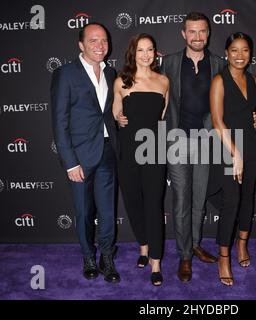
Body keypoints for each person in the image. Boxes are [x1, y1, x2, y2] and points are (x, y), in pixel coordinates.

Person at [51, 22, 120, 283]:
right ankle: (88, 256)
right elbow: (59, 121)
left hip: (108, 152)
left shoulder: (111, 73)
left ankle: (107, 256)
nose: (100, 45)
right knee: (83, 211)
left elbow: (108, 113)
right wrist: (70, 162)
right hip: (79, 156)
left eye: (103, 40)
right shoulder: (65, 73)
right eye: (93, 40)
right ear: (81, 45)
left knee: (107, 211)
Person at [159, 12, 225, 282]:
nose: (198, 36)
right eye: (192, 32)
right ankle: (184, 255)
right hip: (177, 141)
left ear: (208, 33)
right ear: (184, 34)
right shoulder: (169, 63)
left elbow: (239, 90)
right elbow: (152, 93)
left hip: (206, 140)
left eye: (202, 31)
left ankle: (195, 243)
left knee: (199, 199)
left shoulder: (219, 64)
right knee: (182, 199)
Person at [113, 33, 169, 286]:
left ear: (155, 53)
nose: (146, 55)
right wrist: (119, 118)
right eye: (141, 51)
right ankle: (143, 247)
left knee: (154, 206)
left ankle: (156, 261)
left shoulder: (163, 81)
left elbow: (161, 117)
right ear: (133, 54)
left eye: (150, 50)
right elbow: (116, 112)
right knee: (133, 204)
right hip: (128, 152)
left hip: (154, 151)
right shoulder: (121, 82)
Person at [209, 32, 256, 286]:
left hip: (251, 146)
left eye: (245, 50)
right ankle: (224, 257)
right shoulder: (219, 80)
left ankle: (242, 245)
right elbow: (218, 122)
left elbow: (251, 113)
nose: (240, 55)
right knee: (231, 202)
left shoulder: (255, 81)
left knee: (248, 197)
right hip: (229, 147)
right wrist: (235, 154)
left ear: (250, 54)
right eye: (234, 50)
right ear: (226, 53)